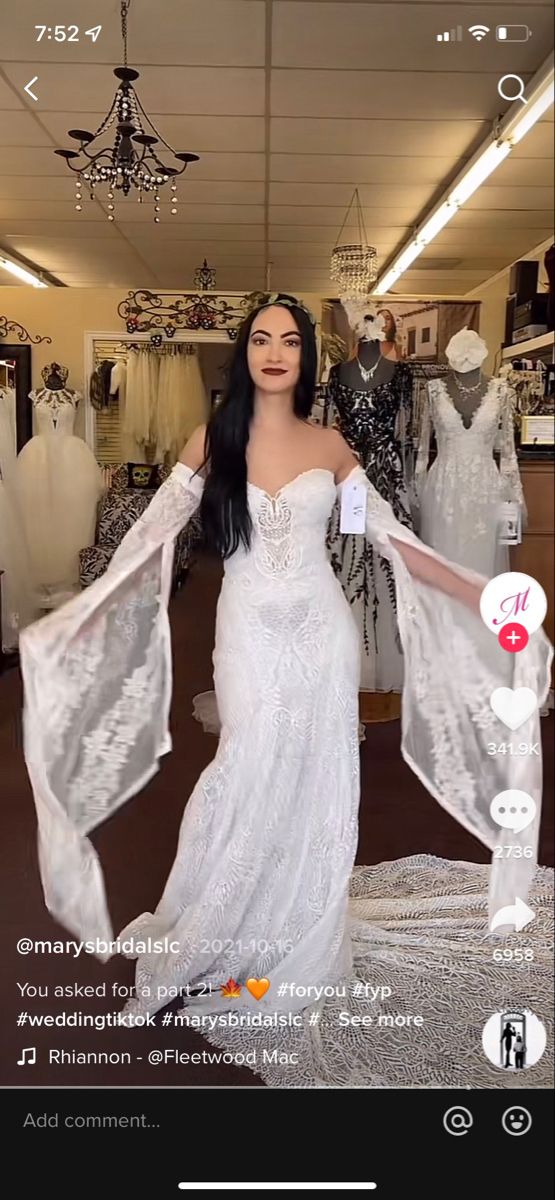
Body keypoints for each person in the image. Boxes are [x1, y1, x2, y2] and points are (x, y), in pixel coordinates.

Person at [19, 294, 553, 1088]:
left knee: (317, 775)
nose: (275, 352)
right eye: (261, 339)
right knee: (244, 764)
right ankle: (222, 923)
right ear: (246, 353)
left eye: (290, 342)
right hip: (247, 632)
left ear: (306, 359)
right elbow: (152, 537)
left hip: (321, 631)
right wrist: (87, 612)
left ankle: (297, 925)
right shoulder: (214, 438)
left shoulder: (332, 444)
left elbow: (393, 540)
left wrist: (480, 594)